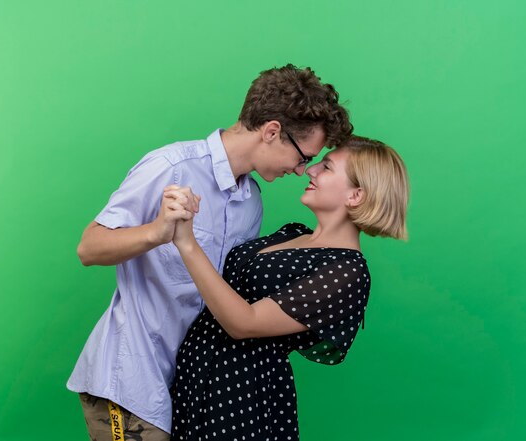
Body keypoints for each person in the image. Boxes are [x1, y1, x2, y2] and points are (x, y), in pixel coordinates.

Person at [67, 64, 353, 441]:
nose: (302, 171)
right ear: (272, 132)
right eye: (303, 158)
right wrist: (156, 232)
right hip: (132, 380)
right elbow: (89, 247)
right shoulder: (171, 167)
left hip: (194, 389)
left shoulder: (252, 203)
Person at [166, 135, 409, 441]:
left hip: (239, 400)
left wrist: (186, 242)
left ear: (356, 195)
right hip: (196, 382)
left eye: (327, 167)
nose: (311, 170)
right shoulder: (292, 233)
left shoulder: (347, 273)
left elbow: (245, 322)